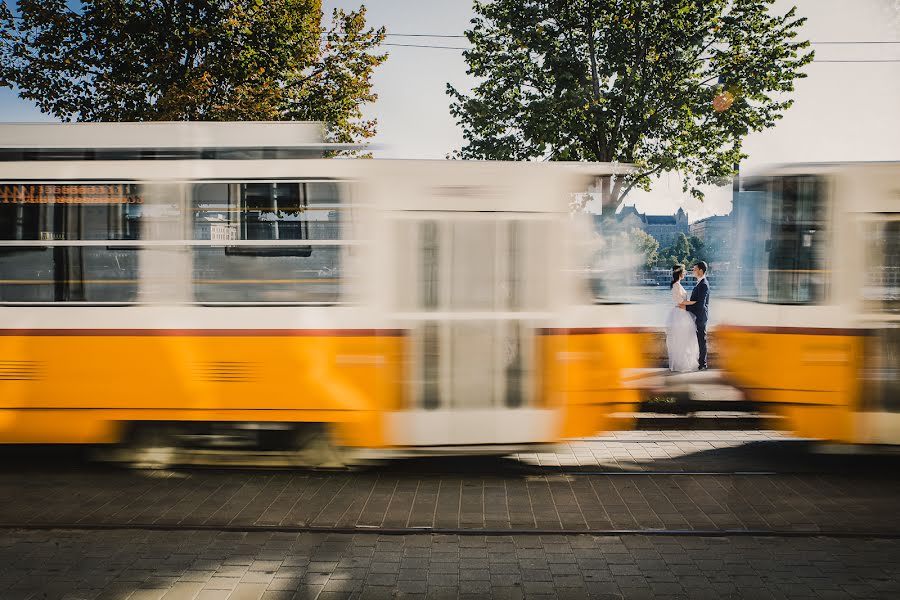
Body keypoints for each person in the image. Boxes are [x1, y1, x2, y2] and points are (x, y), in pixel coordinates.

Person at [665, 264, 700, 372]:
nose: (685, 273)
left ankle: (684, 364)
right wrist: (696, 303)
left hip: (682, 313)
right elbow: (680, 302)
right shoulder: (676, 285)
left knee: (685, 340)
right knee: (681, 340)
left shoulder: (678, 285)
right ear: (679, 273)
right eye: (684, 271)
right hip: (679, 315)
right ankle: (681, 365)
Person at [679, 261, 710, 370]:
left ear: (701, 271)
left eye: (695, 269)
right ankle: (700, 362)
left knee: (701, 340)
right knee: (699, 339)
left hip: (700, 317)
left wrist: (686, 308)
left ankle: (703, 364)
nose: (693, 271)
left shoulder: (704, 285)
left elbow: (700, 304)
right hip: (697, 315)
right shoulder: (700, 283)